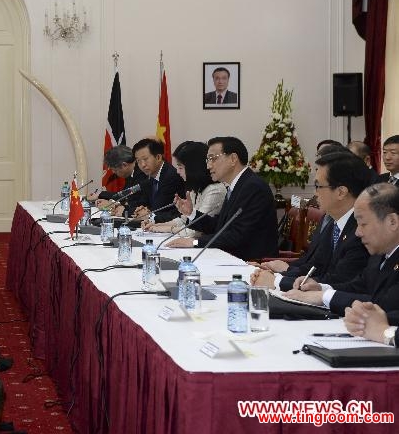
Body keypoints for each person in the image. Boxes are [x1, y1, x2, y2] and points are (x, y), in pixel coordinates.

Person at [250, 152, 370, 291]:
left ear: (341, 192)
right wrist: (277, 273)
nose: (315, 193)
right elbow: (315, 266)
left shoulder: (362, 230)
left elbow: (338, 281)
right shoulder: (333, 222)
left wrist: (278, 281)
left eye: (318, 186)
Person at [284, 183, 399, 317]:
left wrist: (324, 297)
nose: (357, 232)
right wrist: (320, 288)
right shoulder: (379, 255)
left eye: (363, 224)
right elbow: (358, 287)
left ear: (392, 222)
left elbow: (384, 305)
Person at [166, 136, 279, 261]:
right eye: (207, 160)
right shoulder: (236, 185)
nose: (208, 166)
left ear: (233, 159)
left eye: (212, 159)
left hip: (253, 264)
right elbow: (219, 226)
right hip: (232, 257)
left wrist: (194, 242)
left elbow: (237, 236)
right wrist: (191, 213)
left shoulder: (252, 187)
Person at [142, 141, 225, 237]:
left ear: (193, 168)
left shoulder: (215, 191)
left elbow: (195, 231)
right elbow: (184, 220)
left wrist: (168, 229)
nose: (177, 171)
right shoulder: (196, 189)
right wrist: (157, 225)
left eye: (180, 167)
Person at [129, 138, 185, 223]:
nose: (142, 165)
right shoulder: (152, 178)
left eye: (145, 159)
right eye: (138, 161)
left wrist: (145, 214)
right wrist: (139, 209)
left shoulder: (170, 176)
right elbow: (143, 203)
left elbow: (158, 209)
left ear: (158, 157)